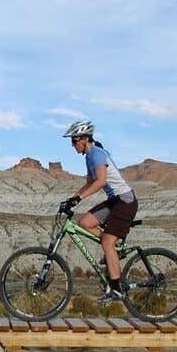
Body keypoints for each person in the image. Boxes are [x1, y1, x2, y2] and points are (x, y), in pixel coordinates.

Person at [59, 120, 137, 300]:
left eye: (74, 141)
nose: (72, 145)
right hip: (114, 201)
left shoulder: (97, 153)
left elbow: (100, 181)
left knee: (107, 242)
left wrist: (79, 198)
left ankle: (116, 289)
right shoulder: (89, 157)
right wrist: (71, 200)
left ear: (85, 139)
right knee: (85, 222)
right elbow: (88, 183)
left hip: (125, 200)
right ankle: (114, 249)